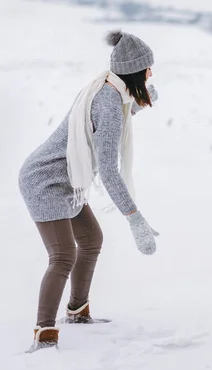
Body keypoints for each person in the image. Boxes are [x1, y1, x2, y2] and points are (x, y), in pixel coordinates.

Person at [18, 29, 160, 352]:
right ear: (133, 72)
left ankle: (78, 312)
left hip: (67, 179)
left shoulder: (109, 88)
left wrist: (138, 104)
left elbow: (104, 123)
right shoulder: (109, 103)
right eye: (147, 68)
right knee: (63, 255)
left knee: (91, 240)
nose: (151, 73)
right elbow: (109, 171)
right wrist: (135, 218)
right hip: (45, 181)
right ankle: (44, 335)